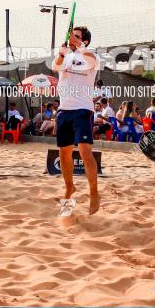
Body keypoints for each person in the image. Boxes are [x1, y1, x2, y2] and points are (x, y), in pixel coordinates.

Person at [52, 26, 101, 214]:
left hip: (83, 109)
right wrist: (62, 53)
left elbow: (90, 60)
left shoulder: (91, 56)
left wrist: (78, 46)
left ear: (85, 41)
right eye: (72, 36)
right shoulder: (66, 56)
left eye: (77, 37)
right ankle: (69, 187)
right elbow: (56, 66)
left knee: (84, 151)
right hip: (64, 110)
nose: (72, 38)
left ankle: (94, 192)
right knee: (63, 154)